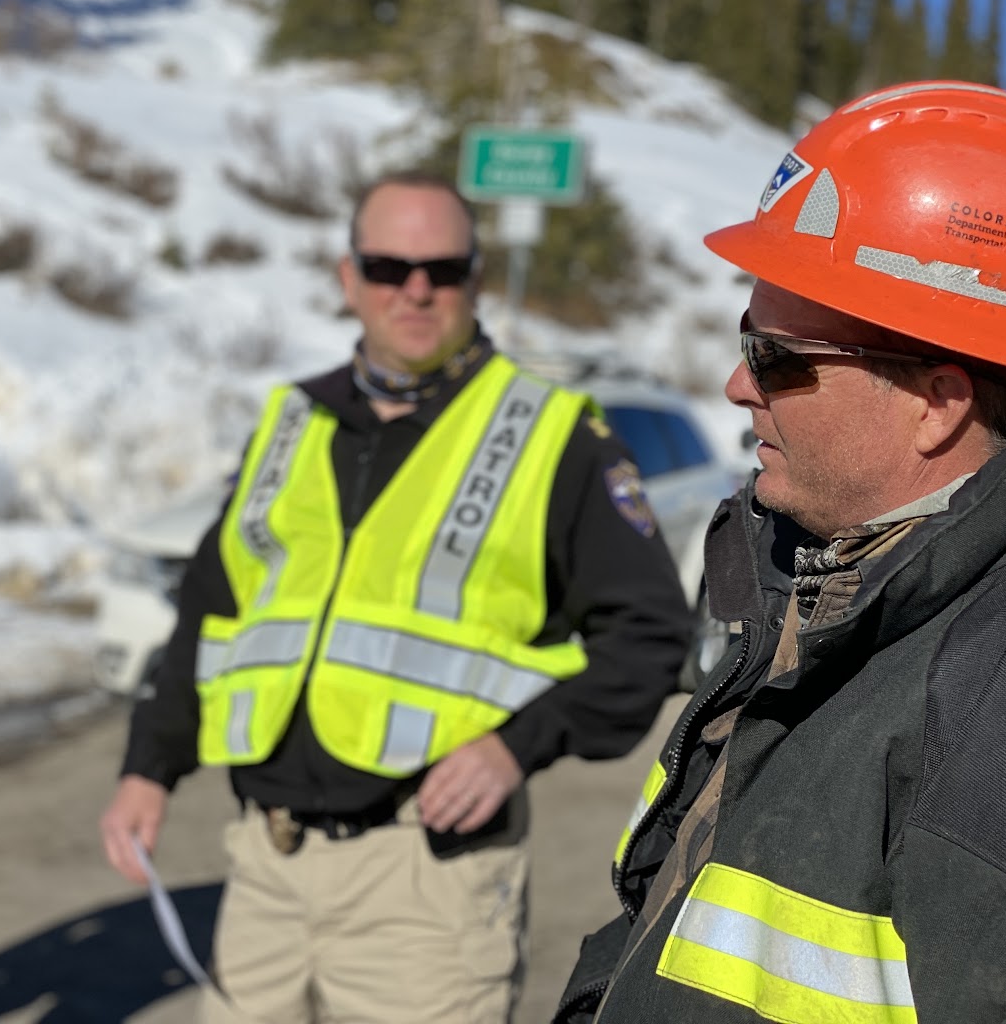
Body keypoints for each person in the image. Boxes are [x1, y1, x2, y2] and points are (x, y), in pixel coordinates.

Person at [557, 81, 1006, 1023]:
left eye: (776, 355)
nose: (736, 384)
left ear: (936, 403)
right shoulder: (833, 603)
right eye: (746, 341)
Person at [100, 171, 691, 1022]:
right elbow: (211, 610)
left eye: (442, 270)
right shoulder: (292, 420)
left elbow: (649, 636)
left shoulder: (554, 433)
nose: (415, 289)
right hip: (264, 872)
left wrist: (515, 746)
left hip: (426, 885)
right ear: (349, 278)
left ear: (476, 279)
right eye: (388, 266)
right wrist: (147, 769)